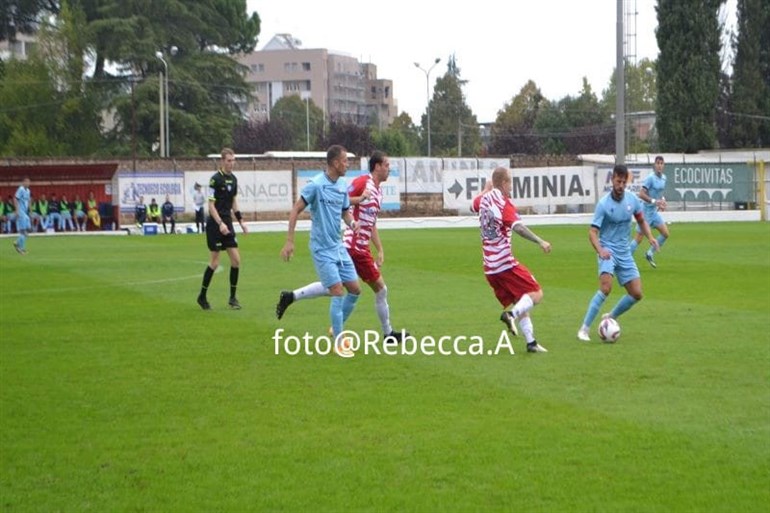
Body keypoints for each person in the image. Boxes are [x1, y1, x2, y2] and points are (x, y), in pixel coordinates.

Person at [276, 150, 408, 342]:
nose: (389, 169)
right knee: (371, 289)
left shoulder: (372, 191)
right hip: (350, 247)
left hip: (346, 246)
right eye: (387, 165)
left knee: (342, 288)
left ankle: (293, 297)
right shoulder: (359, 183)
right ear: (377, 167)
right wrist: (289, 240)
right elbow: (343, 201)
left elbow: (361, 218)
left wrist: (377, 246)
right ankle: (376, 334)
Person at [278, 145, 361, 340]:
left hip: (338, 247)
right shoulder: (315, 184)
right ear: (334, 162)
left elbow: (345, 213)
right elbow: (295, 209)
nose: (347, 164)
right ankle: (340, 341)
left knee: (355, 290)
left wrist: (353, 223)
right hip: (321, 248)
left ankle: (335, 328)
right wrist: (289, 241)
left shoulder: (342, 186)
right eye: (345, 160)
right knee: (337, 291)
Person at [470, 167, 550, 353]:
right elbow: (519, 228)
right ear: (504, 183)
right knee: (536, 293)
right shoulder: (503, 203)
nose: (511, 188)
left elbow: (473, 205)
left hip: (490, 268)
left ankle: (531, 342)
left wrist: (485, 188)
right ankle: (511, 315)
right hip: (504, 263)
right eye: (510, 183)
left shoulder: (484, 199)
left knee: (521, 299)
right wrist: (540, 241)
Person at [577, 164, 659, 342]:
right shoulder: (603, 204)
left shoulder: (632, 200)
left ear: (627, 181)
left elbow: (642, 221)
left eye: (623, 181)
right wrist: (600, 250)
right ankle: (584, 329)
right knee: (606, 288)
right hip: (608, 250)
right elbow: (592, 232)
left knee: (637, 293)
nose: (620, 185)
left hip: (625, 252)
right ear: (612, 180)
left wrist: (651, 237)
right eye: (617, 181)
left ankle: (610, 317)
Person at [197, 147, 248, 310]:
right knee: (215, 261)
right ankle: (202, 296)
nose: (232, 163)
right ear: (222, 161)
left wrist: (241, 222)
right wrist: (220, 223)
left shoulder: (233, 179)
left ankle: (233, 298)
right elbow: (211, 206)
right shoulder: (215, 180)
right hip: (215, 224)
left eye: (233, 160)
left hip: (228, 223)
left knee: (236, 260)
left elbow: (234, 202)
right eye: (229, 160)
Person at [630, 155, 669, 268]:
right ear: (654, 165)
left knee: (665, 233)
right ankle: (625, 261)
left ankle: (649, 253)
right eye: (658, 163)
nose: (659, 165)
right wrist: (654, 201)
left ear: (664, 165)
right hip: (646, 211)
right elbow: (641, 194)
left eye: (661, 163)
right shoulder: (650, 178)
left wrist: (661, 202)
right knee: (638, 239)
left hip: (654, 212)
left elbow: (659, 194)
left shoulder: (664, 178)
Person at [13, 177, 31, 254]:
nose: (28, 183)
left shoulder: (28, 191)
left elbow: (28, 200)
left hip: (25, 213)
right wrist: (17, 210)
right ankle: (21, 248)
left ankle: (17, 242)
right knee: (23, 231)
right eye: (26, 182)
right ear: (23, 182)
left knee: (28, 230)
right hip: (21, 212)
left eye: (29, 182)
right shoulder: (20, 189)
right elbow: (15, 199)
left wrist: (30, 210)